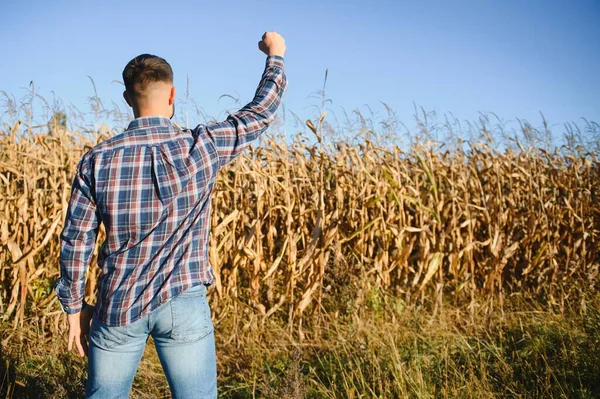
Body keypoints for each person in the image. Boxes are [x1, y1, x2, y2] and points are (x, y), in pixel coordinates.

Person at [54, 31, 287, 398]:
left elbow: (76, 239)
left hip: (117, 304)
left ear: (128, 98)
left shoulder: (97, 160)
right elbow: (260, 113)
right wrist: (275, 55)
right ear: (173, 95)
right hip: (183, 300)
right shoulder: (203, 145)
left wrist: (72, 306)